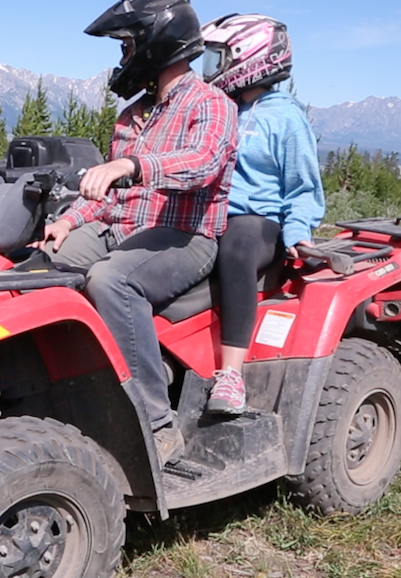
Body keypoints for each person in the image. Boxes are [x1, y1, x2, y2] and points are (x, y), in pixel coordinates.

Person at [33, 0, 238, 467]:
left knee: (112, 280)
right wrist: (68, 220)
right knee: (36, 268)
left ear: (155, 43)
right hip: (118, 228)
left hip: (185, 237)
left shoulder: (211, 104)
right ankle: (56, 391)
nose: (122, 58)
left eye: (126, 46)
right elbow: (105, 196)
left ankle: (156, 424)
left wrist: (134, 164)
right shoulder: (131, 116)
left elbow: (203, 164)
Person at [201, 14, 325, 414]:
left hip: (257, 222)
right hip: (211, 214)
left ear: (247, 57)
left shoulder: (286, 117)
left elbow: (304, 187)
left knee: (236, 250)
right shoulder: (222, 109)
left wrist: (299, 234)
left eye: (219, 57)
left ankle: (231, 376)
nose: (212, 67)